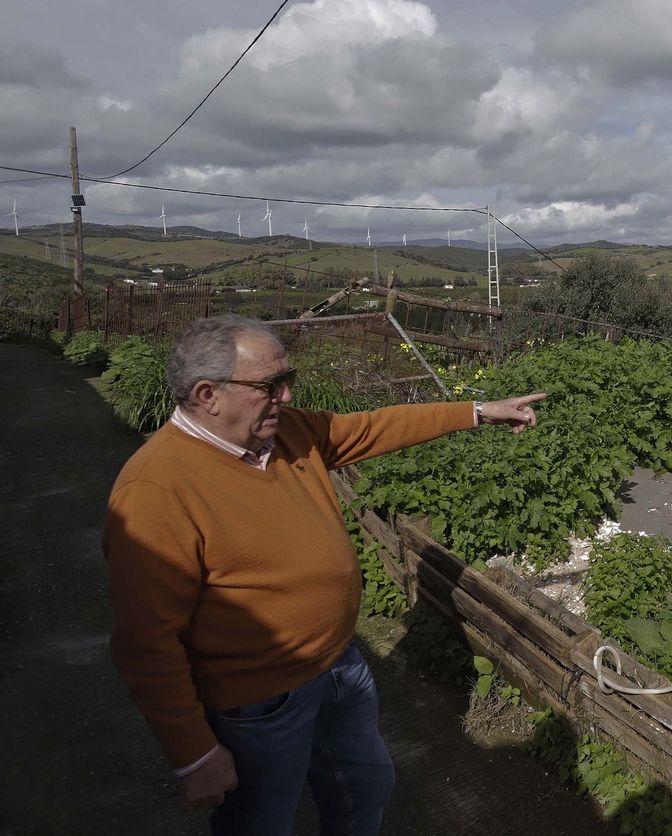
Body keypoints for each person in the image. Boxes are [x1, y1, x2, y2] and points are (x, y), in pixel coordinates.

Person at [104, 314, 545, 834]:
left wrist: (478, 411)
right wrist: (193, 753)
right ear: (208, 394)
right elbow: (146, 644)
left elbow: (373, 427)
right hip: (258, 702)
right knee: (260, 820)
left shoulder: (288, 434)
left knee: (364, 788)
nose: (287, 396)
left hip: (339, 667)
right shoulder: (156, 490)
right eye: (271, 385)